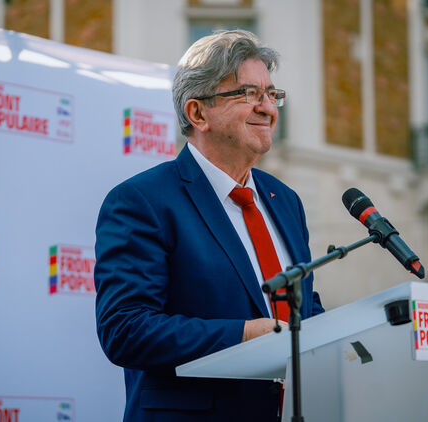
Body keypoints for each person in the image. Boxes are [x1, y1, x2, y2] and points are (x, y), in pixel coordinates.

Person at [94, 30, 324, 422]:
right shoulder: (142, 201)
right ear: (198, 113)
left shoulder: (285, 200)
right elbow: (126, 329)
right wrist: (243, 335)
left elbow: (305, 308)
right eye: (250, 94)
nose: (268, 108)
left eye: (272, 94)